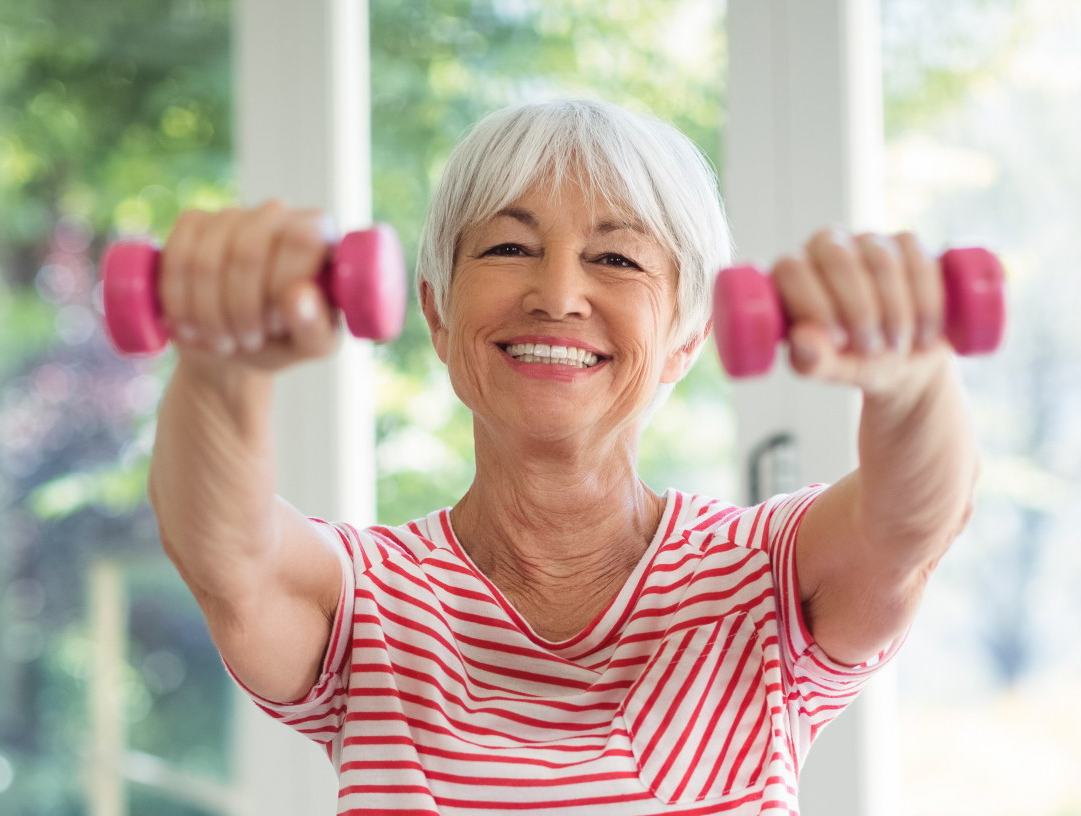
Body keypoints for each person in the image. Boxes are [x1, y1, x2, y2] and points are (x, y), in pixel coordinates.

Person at [148, 99, 978, 814]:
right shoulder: (370, 602)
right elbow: (228, 550)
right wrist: (221, 366)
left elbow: (909, 525)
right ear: (435, 314)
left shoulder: (758, 578)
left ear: (687, 337)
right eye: (507, 249)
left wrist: (910, 383)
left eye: (616, 258)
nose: (556, 295)